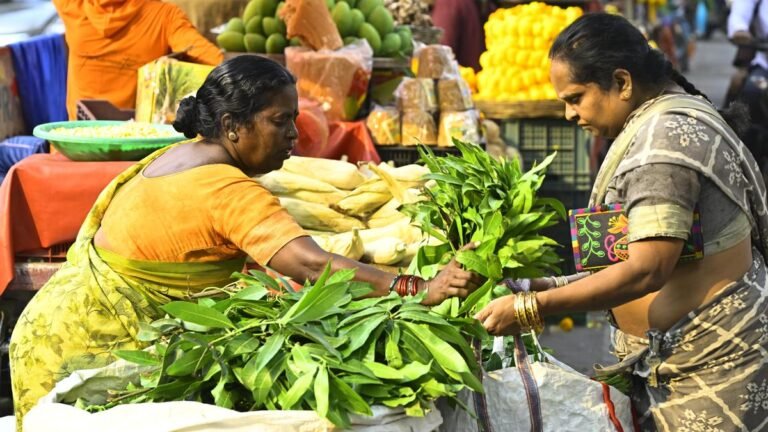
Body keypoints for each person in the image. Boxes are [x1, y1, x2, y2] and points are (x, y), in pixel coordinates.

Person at [9, 56, 481, 427]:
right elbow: (310, 264)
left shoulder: (178, 155)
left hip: (54, 326)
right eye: (281, 121)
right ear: (234, 125)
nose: (295, 134)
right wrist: (416, 287)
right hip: (88, 353)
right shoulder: (227, 188)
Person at [475, 13, 768, 431]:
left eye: (575, 98)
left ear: (623, 82)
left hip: (711, 368)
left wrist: (530, 307)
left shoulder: (661, 145)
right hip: (673, 369)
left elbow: (648, 268)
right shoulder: (655, 122)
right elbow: (639, 256)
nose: (568, 114)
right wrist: (548, 286)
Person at [54, 0, 223, 120]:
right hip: (138, 141)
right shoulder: (165, 16)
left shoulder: (74, 6)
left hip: (76, 139)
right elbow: (216, 61)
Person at [728, 0, 768, 167]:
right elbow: (739, 13)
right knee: (749, 95)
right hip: (765, 64)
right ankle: (741, 165)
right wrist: (739, 29)